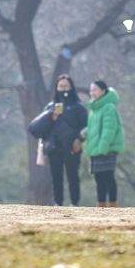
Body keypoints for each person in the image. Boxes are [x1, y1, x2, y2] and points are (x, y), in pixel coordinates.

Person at [30, 75, 88, 206]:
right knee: (56, 177)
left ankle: (75, 203)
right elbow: (42, 128)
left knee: (73, 176)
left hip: (72, 147)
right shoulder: (50, 107)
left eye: (66, 86)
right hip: (54, 148)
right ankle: (58, 203)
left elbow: (86, 126)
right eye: (61, 86)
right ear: (56, 88)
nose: (63, 89)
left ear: (71, 87)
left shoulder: (78, 107)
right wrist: (52, 117)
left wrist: (79, 139)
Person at [84, 79, 125, 207]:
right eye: (91, 90)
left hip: (107, 149)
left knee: (108, 177)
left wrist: (102, 148)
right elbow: (93, 129)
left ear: (103, 91)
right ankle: (101, 205)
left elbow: (109, 129)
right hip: (96, 149)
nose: (92, 93)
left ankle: (113, 204)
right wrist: (83, 135)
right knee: (99, 179)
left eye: (95, 90)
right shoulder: (94, 109)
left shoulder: (109, 107)